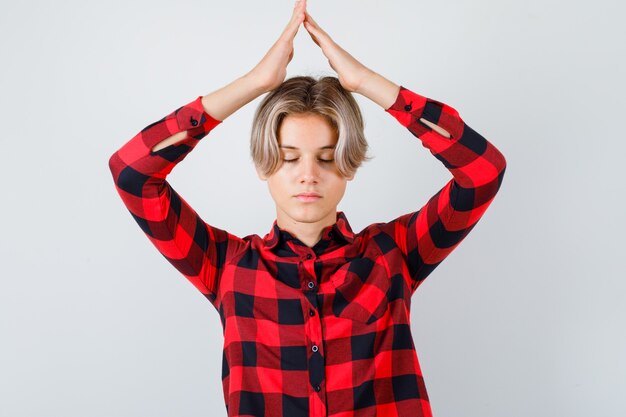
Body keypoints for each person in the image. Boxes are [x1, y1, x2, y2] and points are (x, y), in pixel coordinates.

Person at [108, 1, 507, 416]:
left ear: (349, 164)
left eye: (327, 156)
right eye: (289, 156)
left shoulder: (394, 254)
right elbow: (132, 172)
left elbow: (481, 172)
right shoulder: (225, 265)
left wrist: (366, 82)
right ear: (266, 163)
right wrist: (253, 84)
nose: (308, 175)